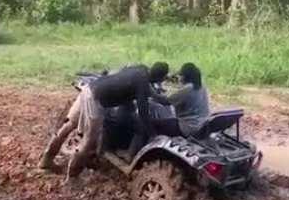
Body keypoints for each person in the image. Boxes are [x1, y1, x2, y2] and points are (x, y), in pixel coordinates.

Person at [39, 62, 169, 178]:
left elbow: (146, 91)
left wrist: (167, 100)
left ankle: (46, 160)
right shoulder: (143, 83)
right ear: (160, 78)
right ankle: (72, 177)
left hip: (90, 88)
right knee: (89, 140)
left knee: (69, 125)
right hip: (96, 101)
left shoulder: (141, 69)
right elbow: (143, 112)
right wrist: (153, 135)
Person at [151, 62, 209, 138]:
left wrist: (150, 91)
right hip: (202, 125)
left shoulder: (187, 89)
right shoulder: (201, 87)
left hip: (187, 127)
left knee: (151, 124)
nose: (180, 78)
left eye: (181, 76)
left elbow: (165, 101)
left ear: (186, 77)